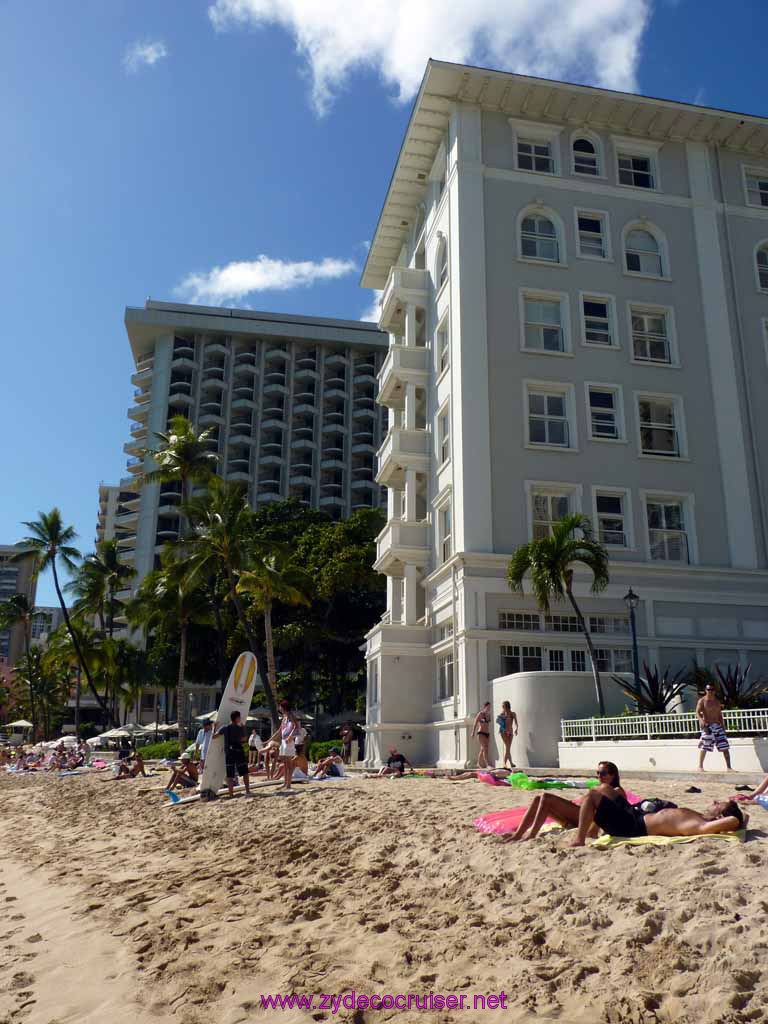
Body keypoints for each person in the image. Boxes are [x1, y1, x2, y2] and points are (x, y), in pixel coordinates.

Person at [213, 711, 252, 798]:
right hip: (239, 752)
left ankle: (231, 794)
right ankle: (248, 791)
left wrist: (214, 727)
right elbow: (244, 739)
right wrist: (244, 728)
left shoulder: (225, 727)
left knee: (230, 775)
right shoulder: (240, 728)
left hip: (229, 753)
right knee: (245, 772)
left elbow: (214, 737)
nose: (240, 718)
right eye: (239, 717)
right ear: (237, 718)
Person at [696, 683, 733, 771]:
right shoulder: (702, 701)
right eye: (708, 690)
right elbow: (697, 712)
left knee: (725, 747)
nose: (710, 691)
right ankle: (700, 766)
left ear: (714, 691)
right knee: (705, 746)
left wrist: (723, 726)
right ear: (706, 690)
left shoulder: (717, 701)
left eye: (712, 690)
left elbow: (719, 714)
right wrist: (701, 720)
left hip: (718, 726)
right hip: (708, 726)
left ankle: (729, 767)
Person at [264, 699, 298, 792]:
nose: (279, 708)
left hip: (288, 742)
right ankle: (285, 783)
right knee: (285, 764)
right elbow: (279, 731)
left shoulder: (290, 715)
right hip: (284, 741)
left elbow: (296, 726)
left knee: (289, 764)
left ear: (283, 707)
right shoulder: (284, 717)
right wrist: (269, 740)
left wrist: (290, 736)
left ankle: (288, 785)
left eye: (280, 706)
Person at [496, 701, 518, 769]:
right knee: (507, 747)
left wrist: (516, 729)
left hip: (510, 732)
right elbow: (498, 721)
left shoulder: (513, 714)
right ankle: (505, 763)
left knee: (508, 748)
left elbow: (516, 723)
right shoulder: (502, 714)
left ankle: (510, 763)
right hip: (503, 732)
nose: (502, 708)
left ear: (507, 706)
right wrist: (501, 718)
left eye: (503, 706)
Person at [472, 702, 493, 768]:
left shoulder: (488, 715)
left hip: (487, 733)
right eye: (488, 707)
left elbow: (488, 724)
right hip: (481, 733)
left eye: (490, 707)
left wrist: (489, 734)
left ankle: (478, 763)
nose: (489, 708)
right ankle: (487, 764)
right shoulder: (480, 714)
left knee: (483, 749)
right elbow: (475, 723)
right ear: (485, 707)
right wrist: (473, 732)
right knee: (485, 748)